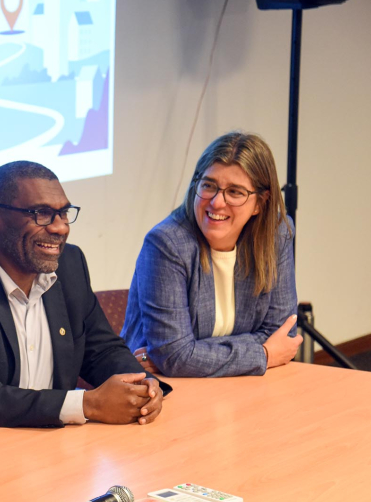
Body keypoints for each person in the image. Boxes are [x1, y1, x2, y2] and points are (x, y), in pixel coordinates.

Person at [0, 161, 164, 429]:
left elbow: (101, 349)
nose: (60, 228)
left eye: (64, 213)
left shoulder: (70, 263)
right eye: (42, 214)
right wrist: (87, 404)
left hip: (53, 442)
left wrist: (143, 386)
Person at [121, 131, 301, 377]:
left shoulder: (276, 235)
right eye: (209, 186)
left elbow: (283, 334)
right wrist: (264, 354)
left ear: (260, 202)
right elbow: (175, 357)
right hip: (161, 387)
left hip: (242, 383)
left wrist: (191, 353)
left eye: (235, 192)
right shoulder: (167, 244)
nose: (217, 202)